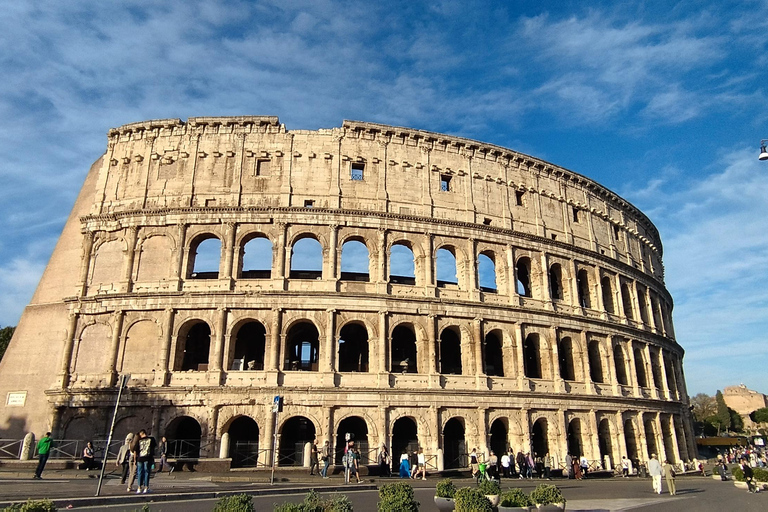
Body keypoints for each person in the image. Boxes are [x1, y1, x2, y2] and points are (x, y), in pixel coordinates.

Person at [135, 429, 157, 494]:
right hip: (147, 458)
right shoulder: (151, 439)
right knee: (146, 472)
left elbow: (136, 450)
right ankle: (146, 488)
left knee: (139, 473)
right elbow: (154, 447)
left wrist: (134, 460)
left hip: (140, 458)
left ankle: (139, 488)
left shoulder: (138, 440)